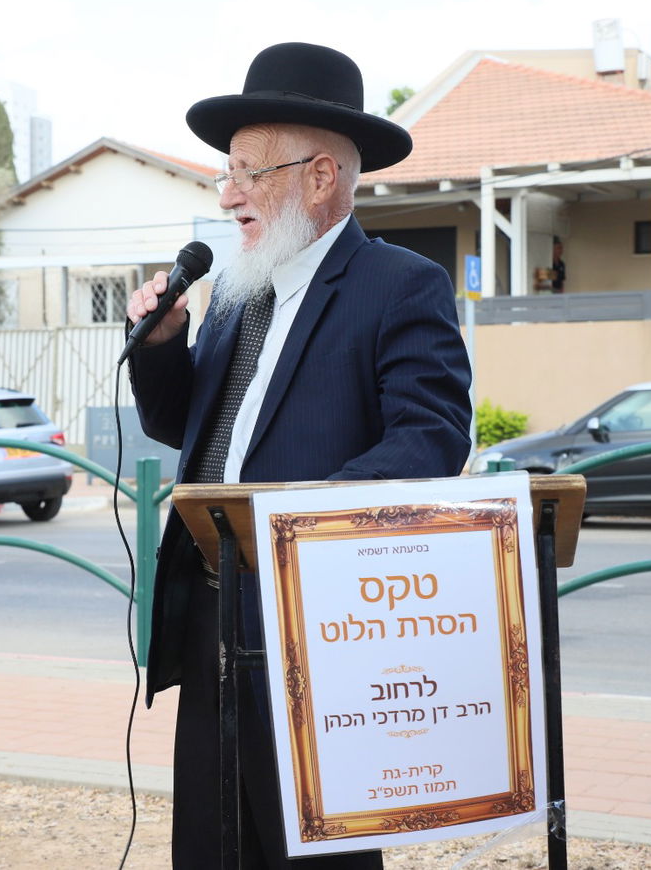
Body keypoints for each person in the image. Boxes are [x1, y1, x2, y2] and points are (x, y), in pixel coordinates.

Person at [125, 42, 473, 868]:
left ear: (321, 176)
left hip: (316, 623)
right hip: (213, 608)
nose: (229, 192)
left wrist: (289, 526)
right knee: (211, 846)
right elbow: (192, 432)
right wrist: (163, 345)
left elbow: (431, 439)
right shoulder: (239, 291)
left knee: (311, 853)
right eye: (226, 171)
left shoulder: (400, 285)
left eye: (250, 170)